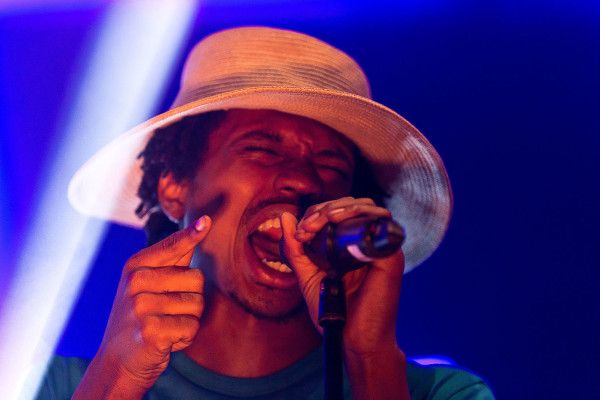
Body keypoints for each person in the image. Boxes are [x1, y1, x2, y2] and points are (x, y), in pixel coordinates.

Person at [37, 26, 494, 399]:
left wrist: (369, 360)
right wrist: (117, 379)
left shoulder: (440, 394)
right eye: (260, 149)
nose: (305, 180)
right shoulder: (45, 385)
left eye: (331, 165)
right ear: (174, 188)